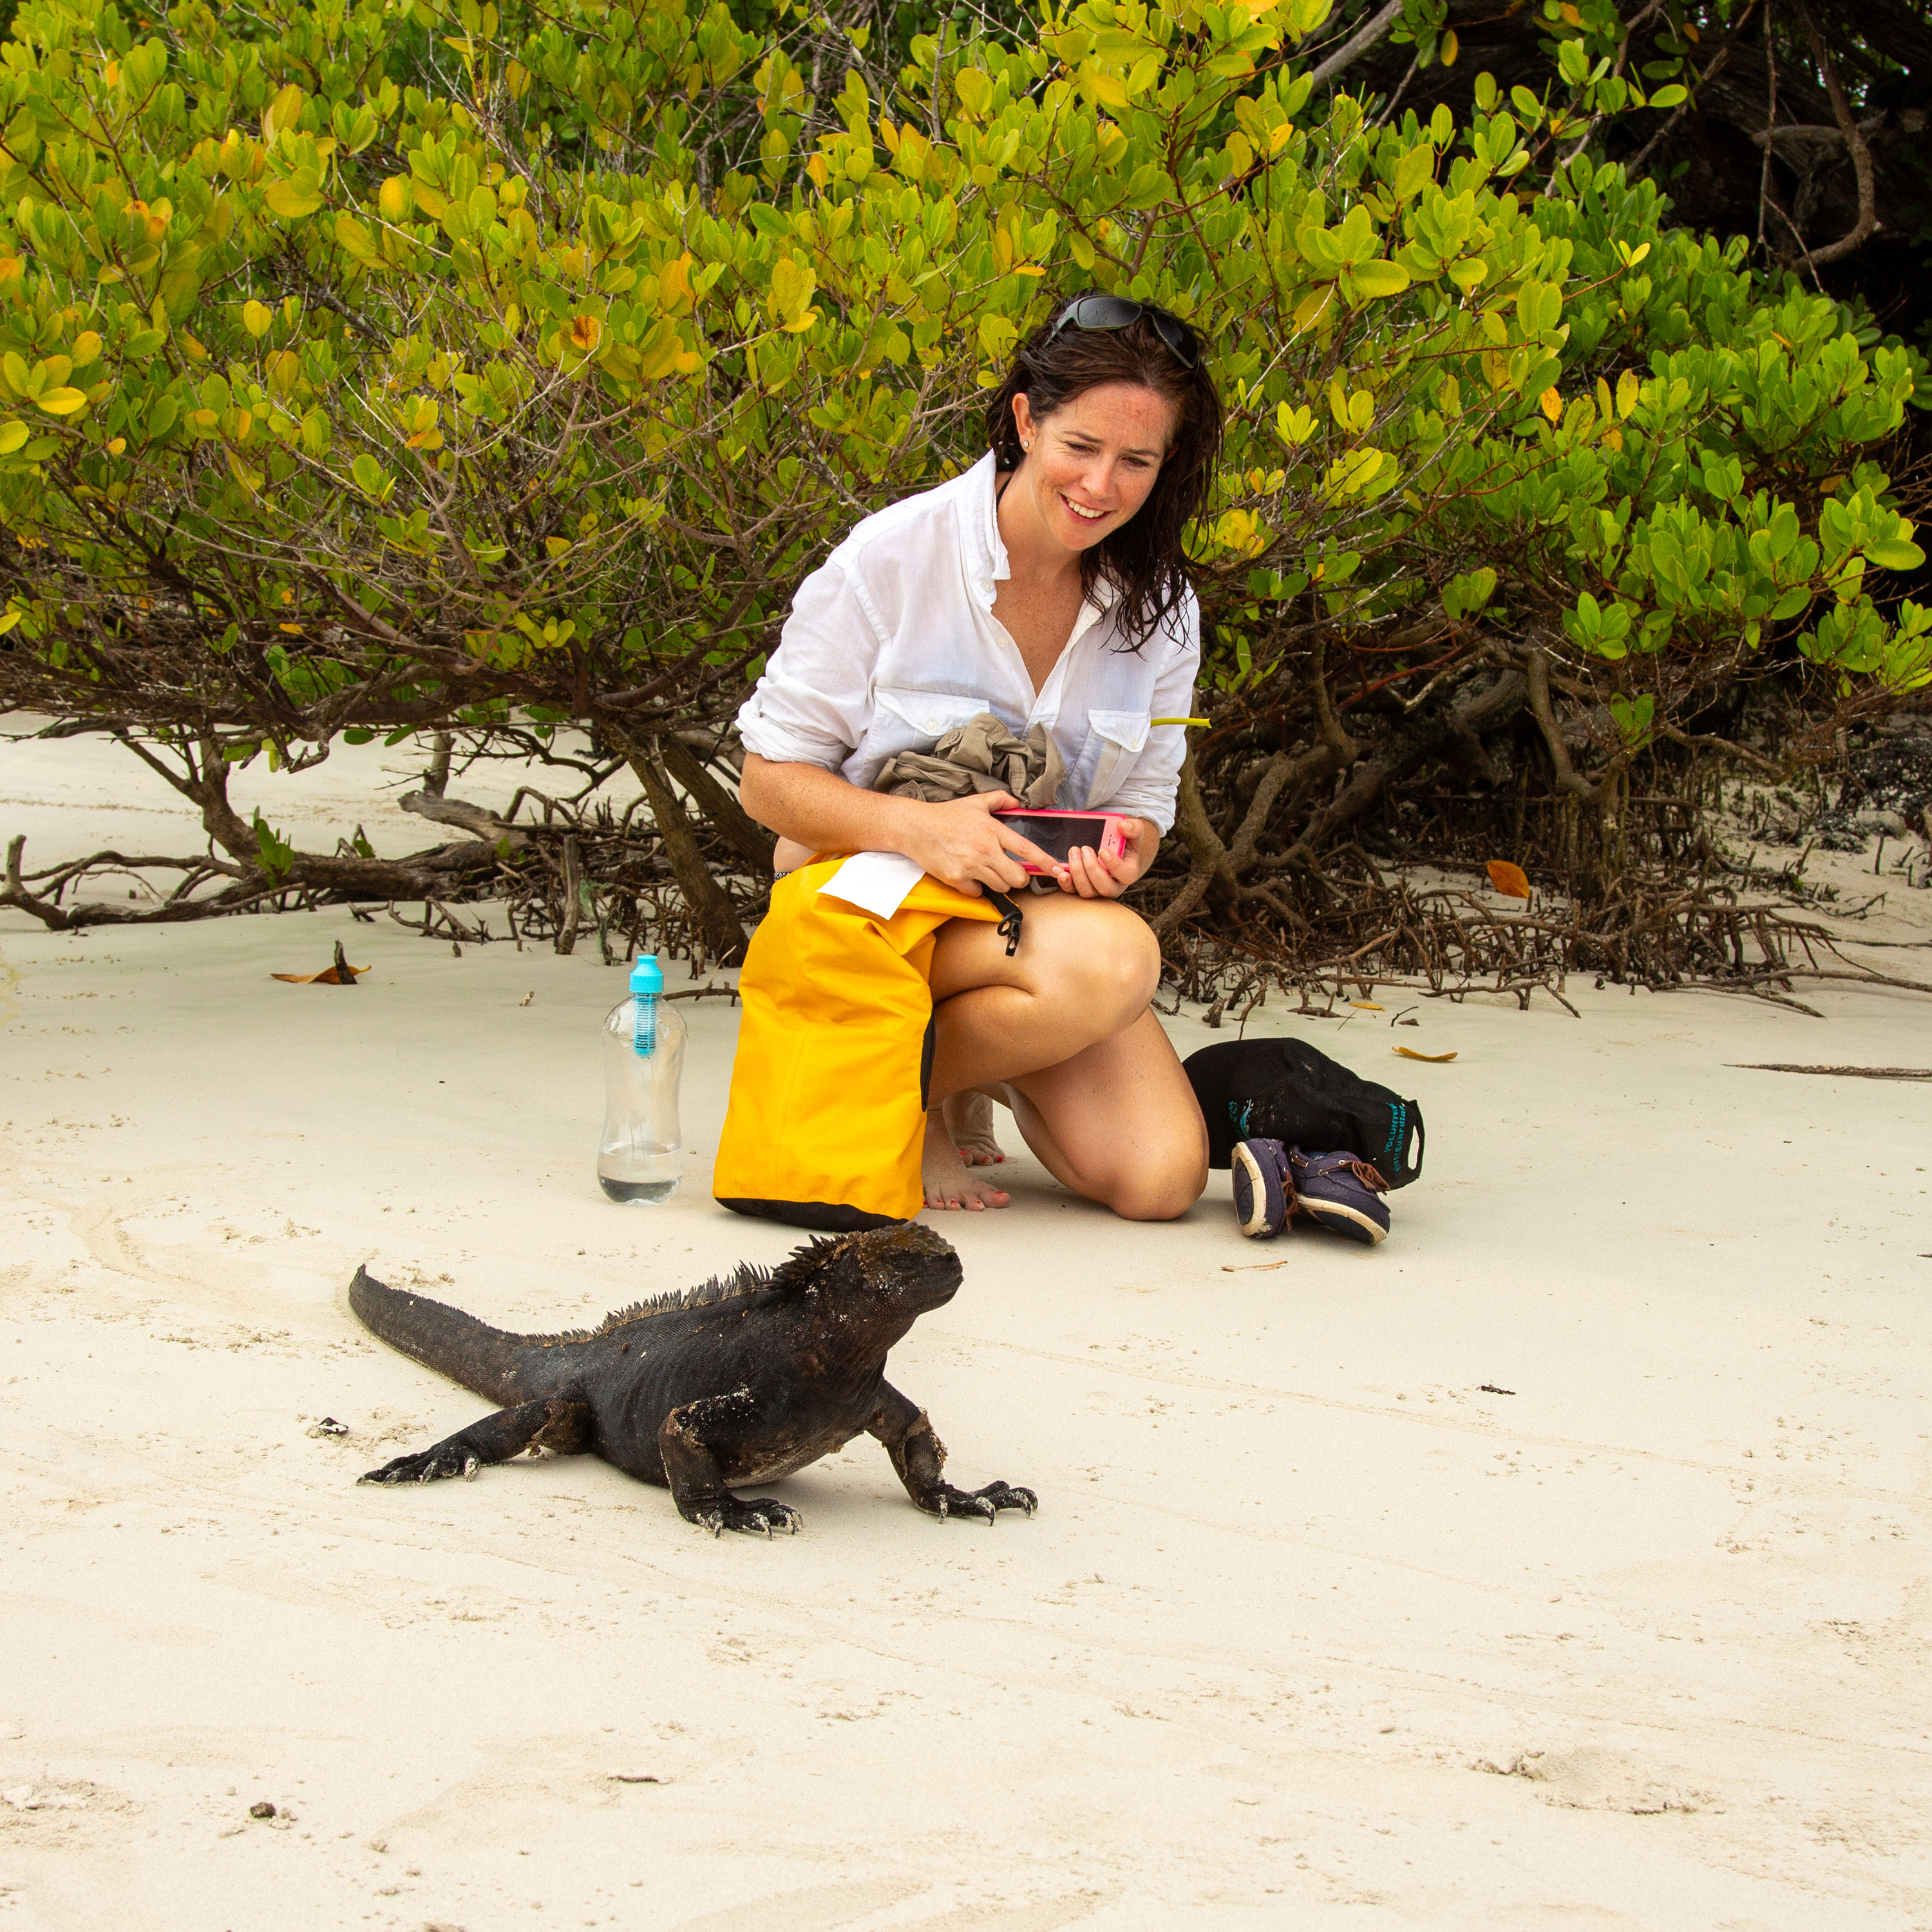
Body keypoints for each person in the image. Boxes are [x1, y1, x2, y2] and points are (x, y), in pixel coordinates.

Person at [735, 292, 1218, 1219]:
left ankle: (972, 1064)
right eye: (1080, 447)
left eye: (1136, 461)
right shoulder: (890, 558)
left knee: (1159, 1180)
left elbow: (1148, 810)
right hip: (869, 912)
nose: (1101, 486)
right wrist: (917, 830)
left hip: (1025, 923)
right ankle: (902, 1100)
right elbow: (766, 783)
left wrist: (1123, 856)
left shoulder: (1164, 610)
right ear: (1027, 422)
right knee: (1117, 962)